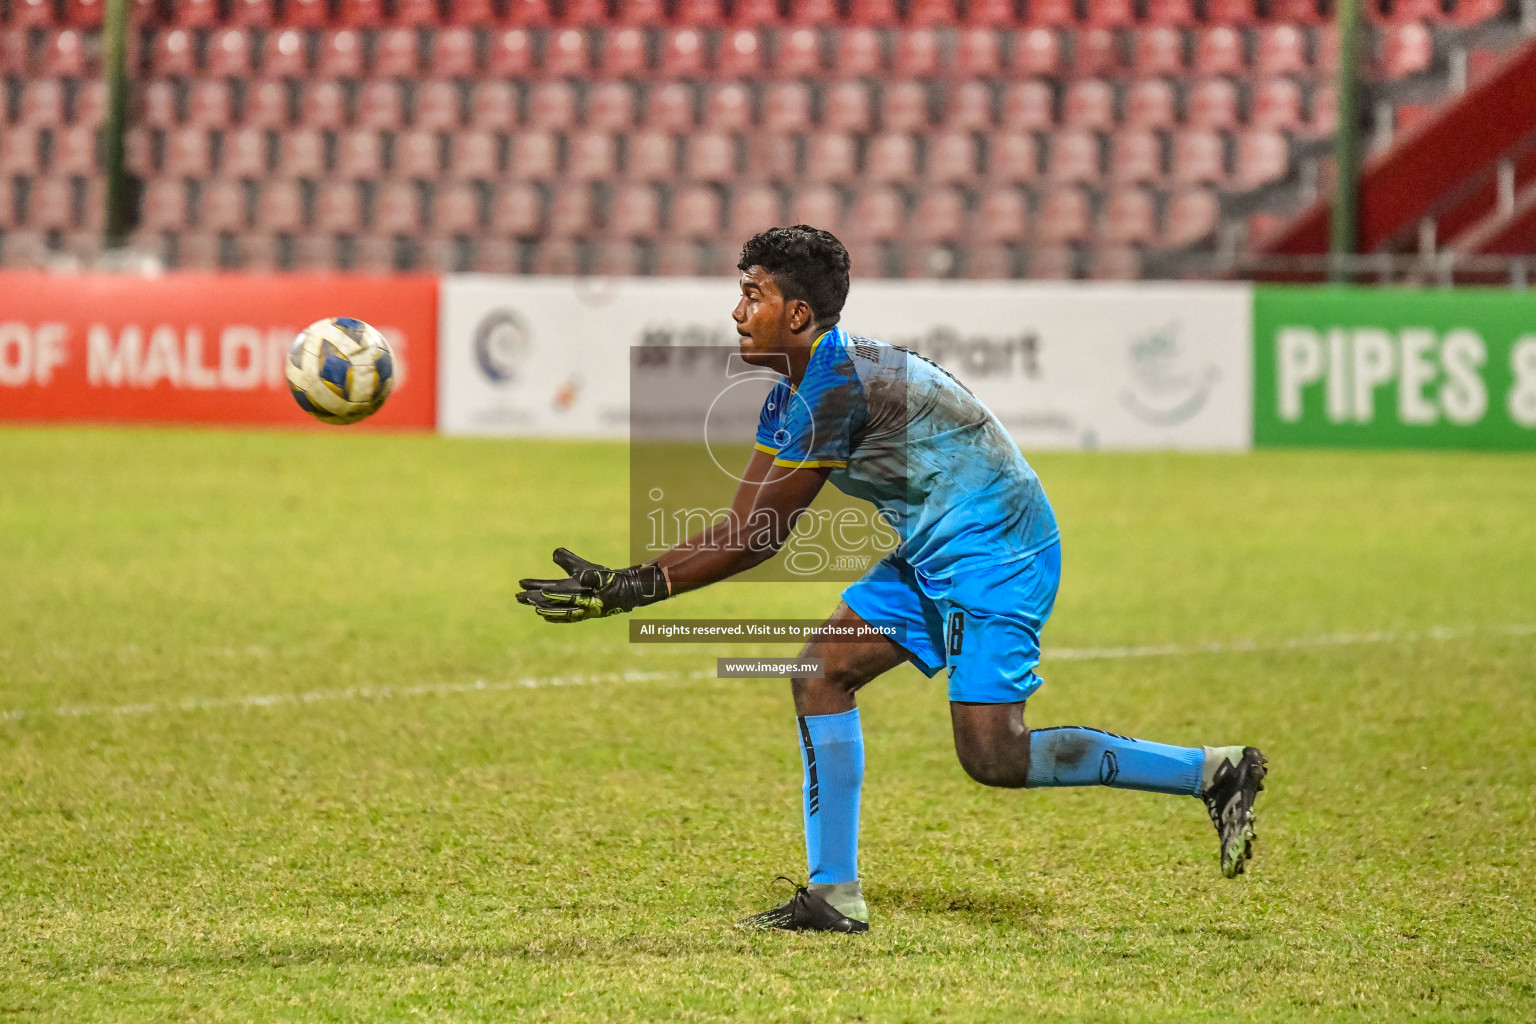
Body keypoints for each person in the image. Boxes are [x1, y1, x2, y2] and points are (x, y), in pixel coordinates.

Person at [517, 226, 1267, 934]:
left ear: (799, 313)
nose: (737, 310)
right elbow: (743, 522)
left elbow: (754, 540)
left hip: (998, 558)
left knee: (994, 757)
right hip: (935, 552)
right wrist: (630, 581)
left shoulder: (836, 388)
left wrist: (633, 587)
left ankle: (1211, 772)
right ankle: (833, 896)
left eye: (754, 294)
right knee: (820, 674)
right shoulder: (800, 387)